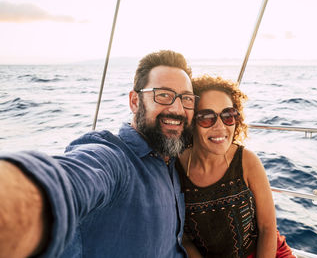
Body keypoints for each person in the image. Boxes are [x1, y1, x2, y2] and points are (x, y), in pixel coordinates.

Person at [0, 50, 196, 257]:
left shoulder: (172, 159)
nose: (178, 108)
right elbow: (69, 181)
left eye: (186, 98)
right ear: (135, 102)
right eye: (163, 95)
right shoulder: (113, 158)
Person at [175, 75, 295, 258]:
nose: (220, 126)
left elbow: (267, 229)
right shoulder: (177, 168)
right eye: (207, 117)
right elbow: (184, 237)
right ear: (191, 122)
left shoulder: (247, 162)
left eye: (228, 115)